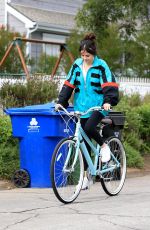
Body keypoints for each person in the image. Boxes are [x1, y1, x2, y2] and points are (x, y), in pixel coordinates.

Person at [55, 33, 119, 189]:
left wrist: (107, 102)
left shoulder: (101, 65)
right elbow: (69, 84)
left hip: (98, 106)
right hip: (81, 107)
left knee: (90, 128)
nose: (85, 58)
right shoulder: (77, 65)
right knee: (83, 141)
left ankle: (104, 147)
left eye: (88, 55)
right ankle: (85, 177)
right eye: (82, 55)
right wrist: (60, 102)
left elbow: (109, 84)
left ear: (94, 53)